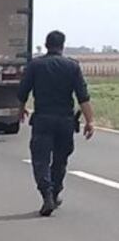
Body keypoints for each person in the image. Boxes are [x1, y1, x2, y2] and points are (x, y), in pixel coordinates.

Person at [18, 31, 95, 217]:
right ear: (62, 46)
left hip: (43, 119)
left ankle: (47, 195)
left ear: (45, 45)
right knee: (60, 160)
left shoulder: (35, 65)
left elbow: (23, 91)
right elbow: (83, 96)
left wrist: (21, 108)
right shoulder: (72, 66)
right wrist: (90, 121)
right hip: (65, 121)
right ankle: (55, 191)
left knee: (40, 160)